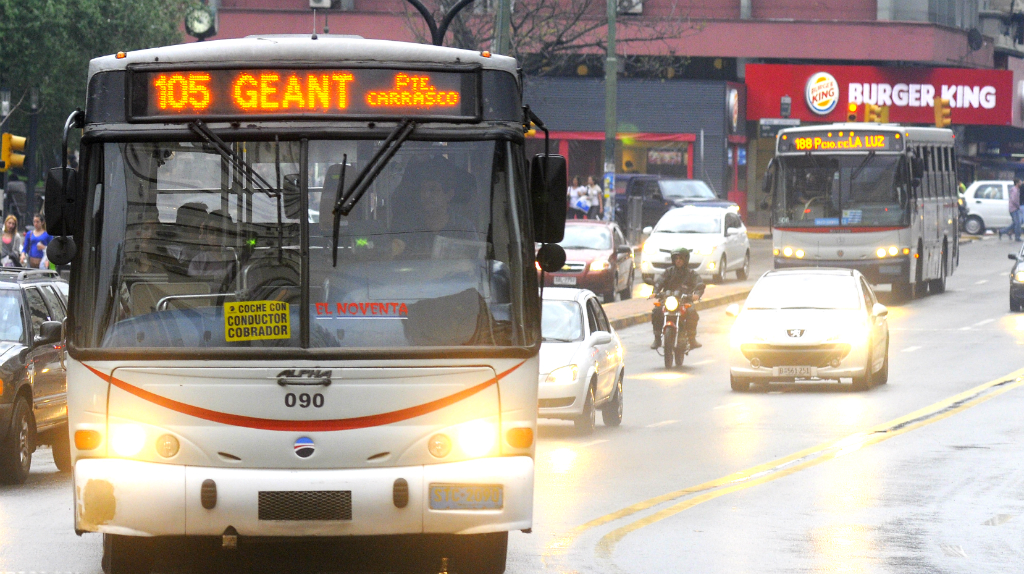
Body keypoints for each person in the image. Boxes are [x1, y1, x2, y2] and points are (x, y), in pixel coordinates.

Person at [650, 247, 704, 350]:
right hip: (668, 300)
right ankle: (657, 339)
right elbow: (659, 282)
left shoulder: (691, 274)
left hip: (684, 300)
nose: (678, 261)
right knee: (657, 310)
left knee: (692, 312)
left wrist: (697, 294)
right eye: (676, 258)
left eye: (681, 258)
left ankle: (692, 339)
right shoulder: (668, 272)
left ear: (685, 260)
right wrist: (655, 292)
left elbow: (700, 284)